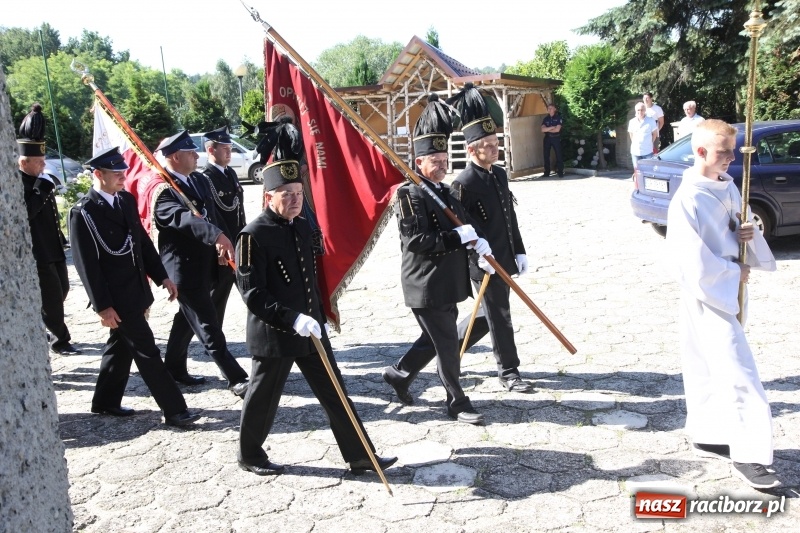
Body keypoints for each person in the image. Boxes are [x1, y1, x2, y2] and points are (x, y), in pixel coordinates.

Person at [235, 119, 396, 476]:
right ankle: (250, 455)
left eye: (299, 193)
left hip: (310, 329)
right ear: (268, 197)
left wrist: (316, 314)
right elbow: (252, 293)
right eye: (286, 195)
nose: (295, 200)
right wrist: (291, 318)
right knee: (263, 399)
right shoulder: (252, 236)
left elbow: (311, 277)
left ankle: (361, 456)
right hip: (275, 334)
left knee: (336, 394)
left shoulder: (304, 225)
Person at [666, 119, 780, 489]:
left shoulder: (728, 185)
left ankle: (708, 430)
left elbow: (734, 225)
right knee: (738, 370)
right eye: (723, 152)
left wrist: (746, 230)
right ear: (700, 152)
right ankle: (750, 455)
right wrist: (733, 273)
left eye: (733, 150)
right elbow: (690, 258)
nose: (731, 158)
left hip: (723, 286)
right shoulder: (688, 198)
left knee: (705, 363)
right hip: (708, 292)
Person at [382, 94, 493, 425]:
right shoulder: (408, 194)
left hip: (448, 282)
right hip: (425, 284)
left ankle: (400, 374)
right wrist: (455, 238)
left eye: (445, 158)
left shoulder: (444, 191)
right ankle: (457, 402)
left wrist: (478, 244)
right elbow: (416, 241)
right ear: (419, 163)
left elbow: (465, 226)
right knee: (447, 343)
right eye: (435, 159)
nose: (443, 164)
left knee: (436, 338)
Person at [69, 147, 199, 426]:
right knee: (147, 350)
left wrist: (162, 276)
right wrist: (103, 306)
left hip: (137, 289)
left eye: (123, 173)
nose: (122, 178)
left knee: (120, 346)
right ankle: (175, 410)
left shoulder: (125, 200)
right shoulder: (84, 213)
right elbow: (86, 265)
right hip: (115, 297)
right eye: (116, 174)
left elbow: (142, 243)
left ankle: (105, 401)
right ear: (98, 174)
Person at [448, 83, 533, 393]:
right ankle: (509, 372)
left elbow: (509, 217)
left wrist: (519, 251)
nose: (495, 148)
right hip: (483, 264)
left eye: (496, 142)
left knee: (487, 315)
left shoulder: (498, 174)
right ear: (472, 149)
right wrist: (478, 259)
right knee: (499, 314)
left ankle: (446, 350)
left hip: (504, 257)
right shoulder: (463, 183)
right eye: (488, 145)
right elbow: (460, 230)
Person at [153, 131, 249, 396]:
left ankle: (173, 367)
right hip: (182, 269)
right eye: (190, 152)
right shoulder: (164, 190)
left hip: (206, 263)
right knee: (208, 323)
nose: (197, 155)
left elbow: (214, 214)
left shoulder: (198, 180)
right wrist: (215, 236)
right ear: (174, 157)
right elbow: (185, 220)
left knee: (187, 319)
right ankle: (236, 378)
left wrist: (222, 242)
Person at [17, 103, 79, 355]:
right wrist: (41, 189)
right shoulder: (19, 182)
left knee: (62, 289)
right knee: (52, 297)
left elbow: (50, 215)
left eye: (44, 160)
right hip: (36, 249)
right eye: (39, 161)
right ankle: (60, 339)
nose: (43, 166)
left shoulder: (39, 179)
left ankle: (42, 326)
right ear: (24, 161)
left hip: (52, 245)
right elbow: (26, 213)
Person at [627, 102, 659, 169]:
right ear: (636, 111)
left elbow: (654, 134)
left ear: (645, 110)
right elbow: (631, 135)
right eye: (638, 110)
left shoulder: (651, 120)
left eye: (642, 110)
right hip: (635, 151)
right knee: (637, 171)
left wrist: (649, 142)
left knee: (648, 171)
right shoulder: (632, 122)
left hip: (648, 151)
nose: (640, 112)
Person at [540, 103, 564, 177]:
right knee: (546, 155)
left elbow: (557, 130)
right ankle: (547, 172)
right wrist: (552, 127)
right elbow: (542, 130)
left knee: (558, 154)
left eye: (551, 108)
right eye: (548, 108)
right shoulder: (545, 119)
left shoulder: (558, 118)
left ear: (555, 109)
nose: (549, 109)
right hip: (547, 138)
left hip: (556, 138)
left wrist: (548, 129)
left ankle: (560, 172)